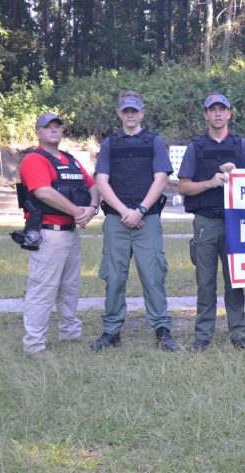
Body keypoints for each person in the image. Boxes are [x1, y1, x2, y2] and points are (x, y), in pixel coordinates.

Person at [90, 91, 176, 352]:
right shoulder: (109, 144)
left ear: (142, 113)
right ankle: (111, 331)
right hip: (117, 221)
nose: (130, 114)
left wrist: (139, 210)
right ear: (119, 113)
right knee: (114, 278)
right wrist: (125, 212)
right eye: (125, 110)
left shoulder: (154, 142)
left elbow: (161, 179)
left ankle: (162, 330)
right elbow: (101, 181)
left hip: (146, 221)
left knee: (152, 277)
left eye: (134, 110)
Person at [177, 92, 245, 352]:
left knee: (235, 280)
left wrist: (238, 175)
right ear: (206, 115)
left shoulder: (242, 145)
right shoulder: (196, 147)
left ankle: (239, 334)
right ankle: (202, 335)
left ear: (229, 113)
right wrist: (211, 182)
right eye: (213, 109)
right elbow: (183, 187)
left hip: (235, 222)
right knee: (205, 282)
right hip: (206, 221)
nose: (218, 113)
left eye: (222, 109)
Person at [18, 113, 99, 359]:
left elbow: (93, 186)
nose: (54, 130)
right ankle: (34, 345)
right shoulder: (34, 159)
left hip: (71, 233)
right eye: (47, 127)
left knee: (70, 288)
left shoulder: (70, 160)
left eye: (57, 126)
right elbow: (43, 192)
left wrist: (92, 209)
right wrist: (77, 211)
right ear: (38, 133)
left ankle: (70, 332)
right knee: (43, 290)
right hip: (48, 233)